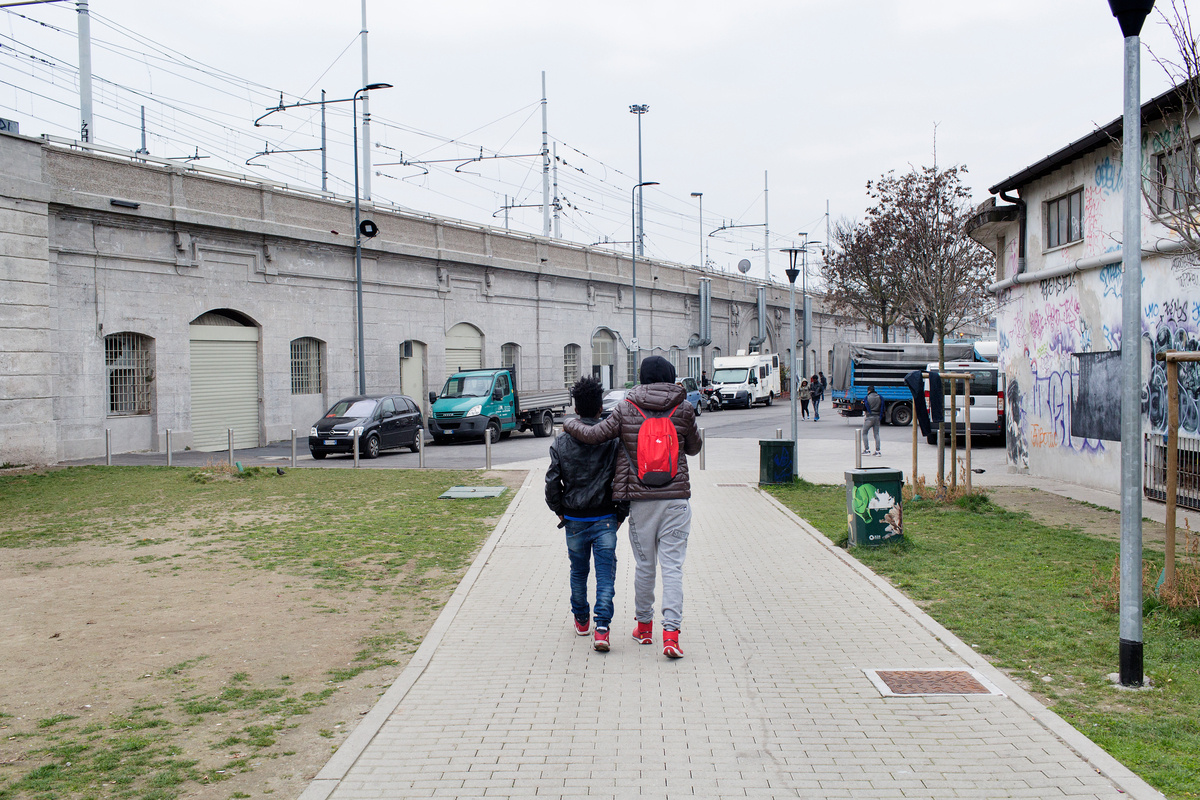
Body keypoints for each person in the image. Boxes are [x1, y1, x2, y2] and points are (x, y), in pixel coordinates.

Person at [563, 356, 702, 659]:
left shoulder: (626, 408)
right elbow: (694, 448)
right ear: (670, 376)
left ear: (640, 378)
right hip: (676, 501)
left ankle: (644, 627)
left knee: (646, 567)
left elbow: (592, 435)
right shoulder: (684, 408)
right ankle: (671, 635)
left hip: (641, 502)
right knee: (674, 568)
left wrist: (568, 422)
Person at [545, 375, 629, 652]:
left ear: (577, 409)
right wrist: (620, 514)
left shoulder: (562, 441)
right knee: (606, 575)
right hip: (605, 518)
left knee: (578, 571)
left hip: (574, 519)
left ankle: (581, 619)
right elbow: (623, 480)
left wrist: (559, 510)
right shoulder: (612, 439)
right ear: (598, 409)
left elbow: (551, 482)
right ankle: (602, 629)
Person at [862, 385, 883, 456]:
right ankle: (878, 451)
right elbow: (883, 407)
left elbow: (864, 408)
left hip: (869, 417)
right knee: (876, 434)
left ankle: (867, 450)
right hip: (877, 417)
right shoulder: (880, 397)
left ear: (869, 391)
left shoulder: (867, 397)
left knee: (864, 432)